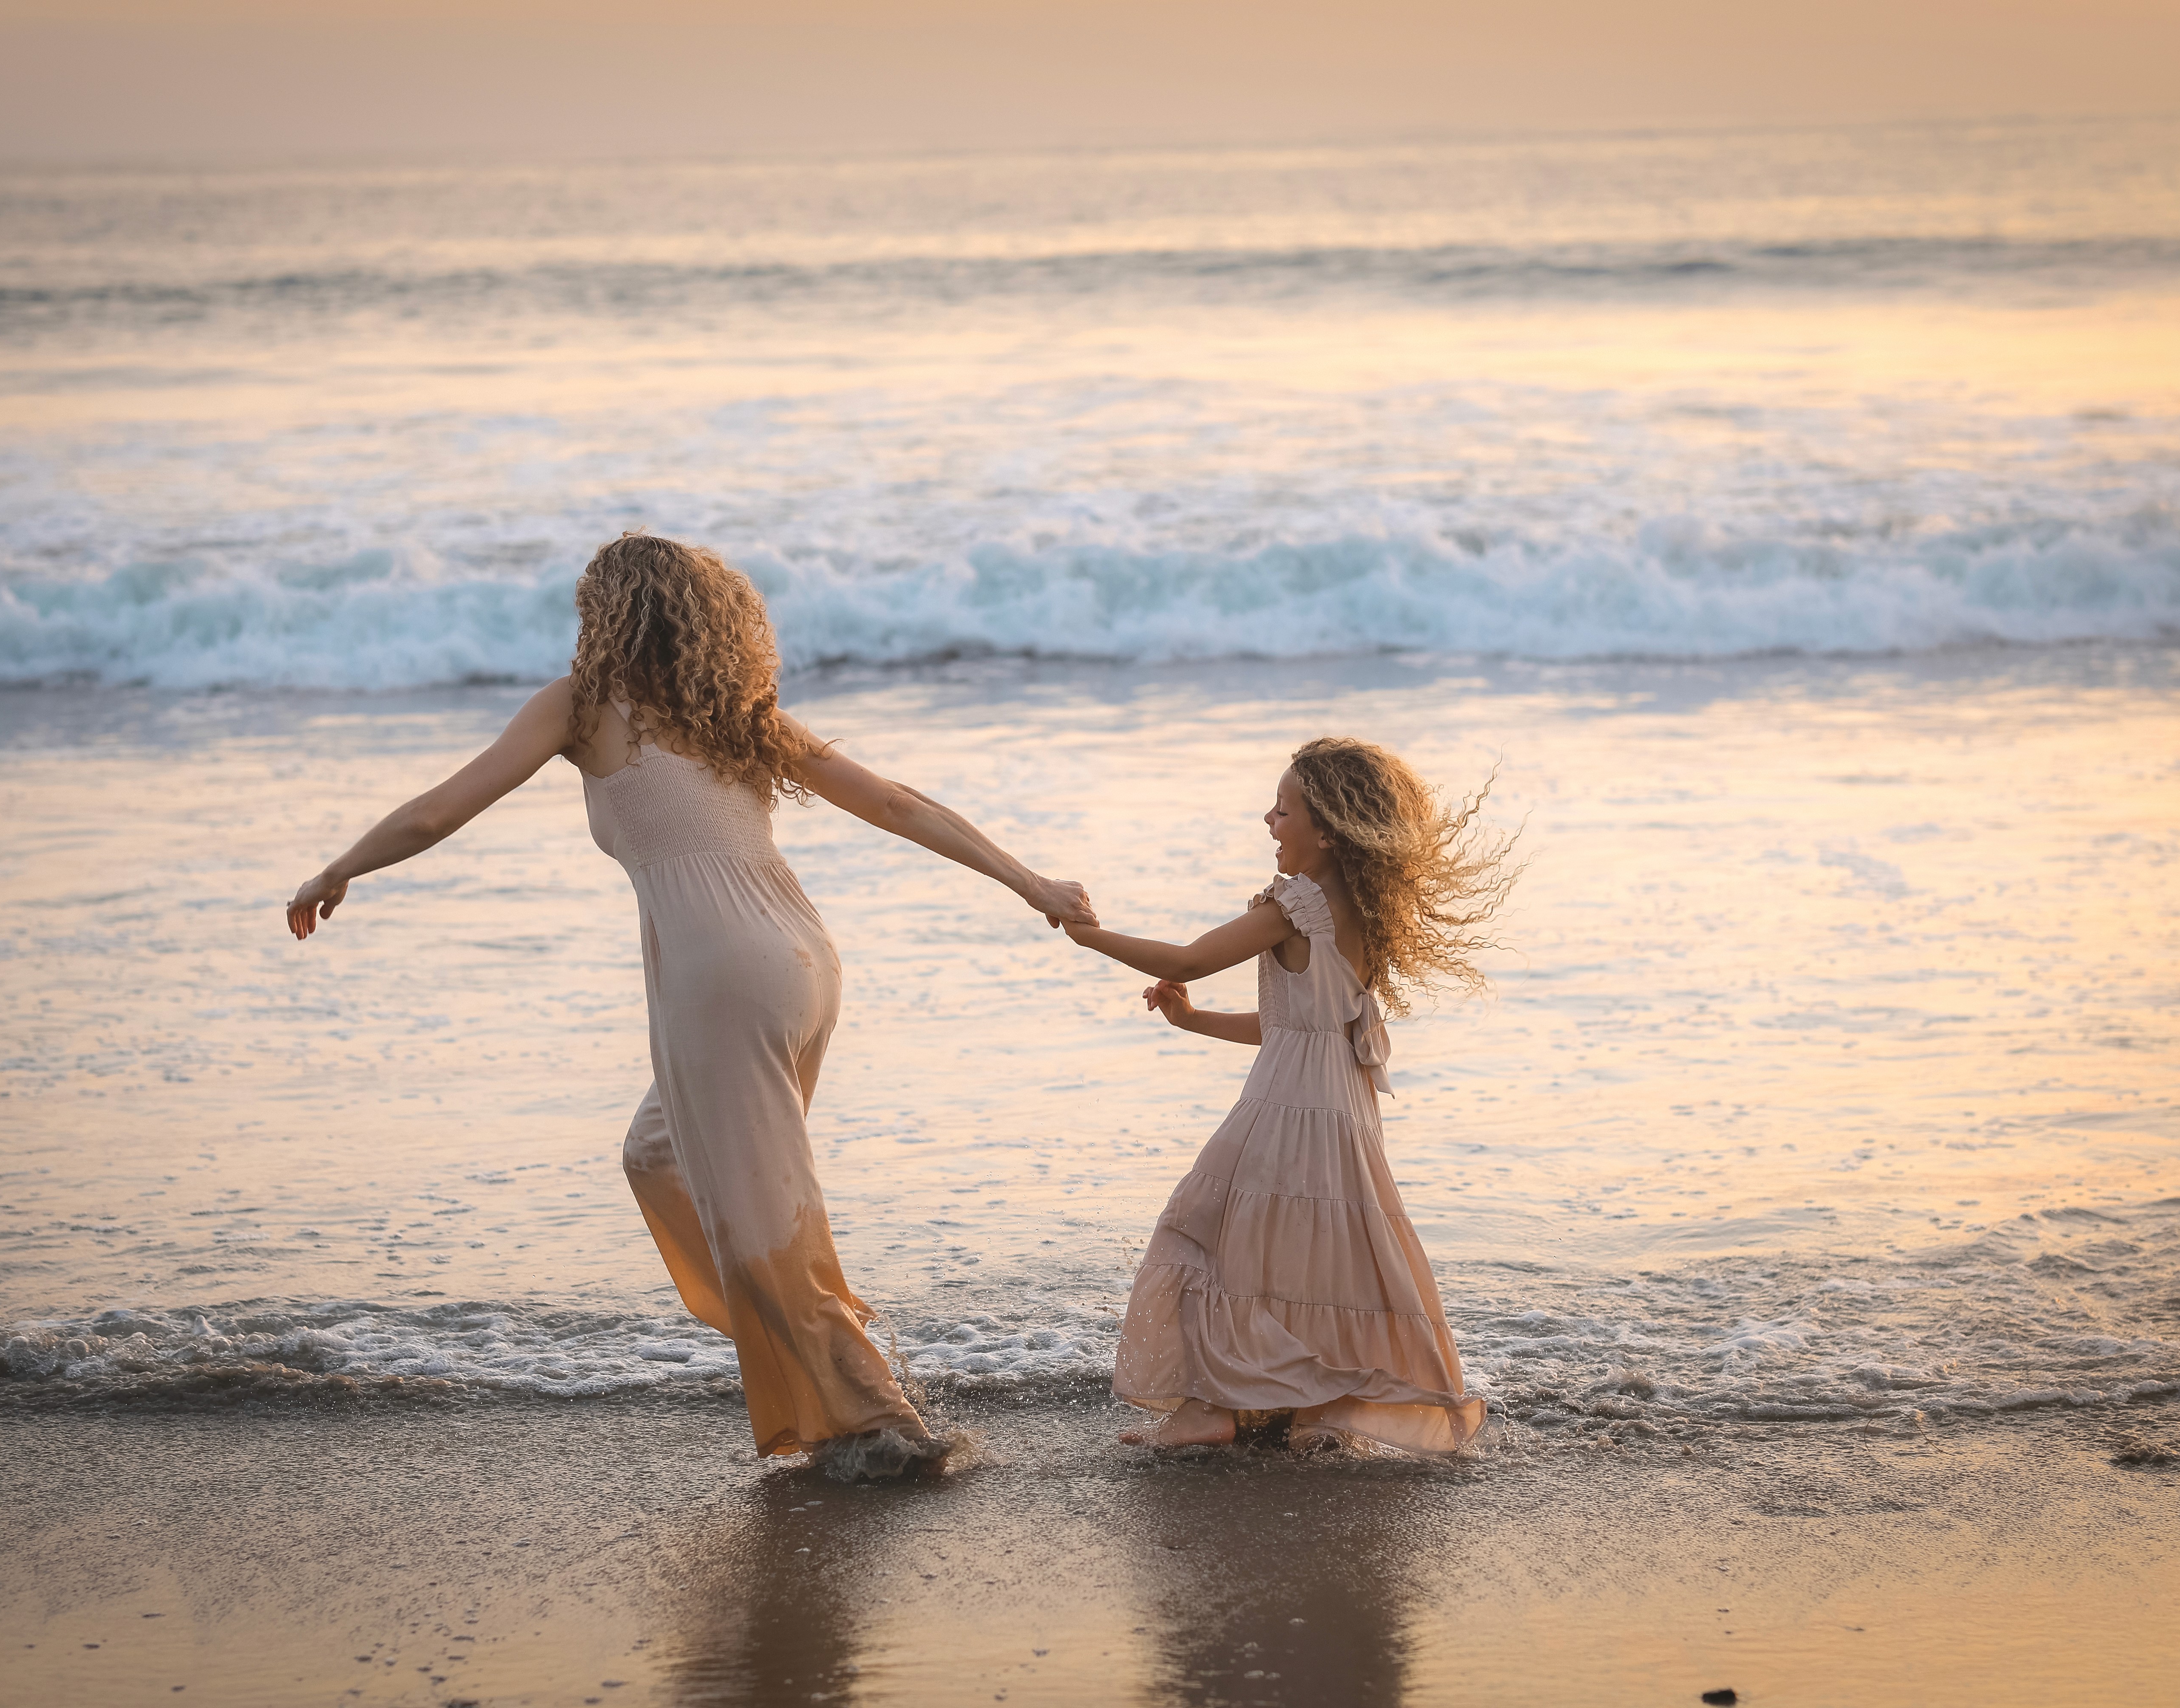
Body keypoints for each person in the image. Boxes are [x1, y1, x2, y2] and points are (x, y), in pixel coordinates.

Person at [285, 532, 1093, 1476]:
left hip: (721, 972)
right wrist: (1026, 879)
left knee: (761, 1215)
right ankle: (815, 1340)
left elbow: (439, 810)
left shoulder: (585, 707)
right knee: (661, 1156)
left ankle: (888, 1426)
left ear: (610, 615)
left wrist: (342, 866)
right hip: (800, 960)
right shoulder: (737, 711)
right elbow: (898, 803)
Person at [1058, 737, 1512, 1453]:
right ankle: (1310, 1409)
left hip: (1286, 1110)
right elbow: (1297, 1028)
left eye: (1284, 809)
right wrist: (1194, 1019)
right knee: (1310, 1260)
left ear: (1328, 831)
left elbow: (1188, 960)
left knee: (1205, 1236)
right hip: (1340, 1112)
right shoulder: (1361, 913)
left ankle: (1212, 1407)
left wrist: (1090, 936)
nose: (1269, 821)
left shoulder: (1297, 906)